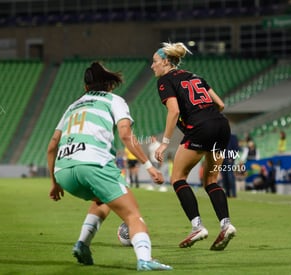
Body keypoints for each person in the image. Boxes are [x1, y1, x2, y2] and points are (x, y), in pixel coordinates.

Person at [47, 61, 172, 271]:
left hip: (63, 171)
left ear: (85, 87)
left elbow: (52, 146)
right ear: (110, 85)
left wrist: (54, 183)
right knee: (133, 215)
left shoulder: (73, 106)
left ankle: (82, 244)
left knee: (102, 199)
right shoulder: (115, 100)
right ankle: (145, 259)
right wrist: (149, 166)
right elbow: (125, 134)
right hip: (94, 164)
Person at [151, 42, 236, 251]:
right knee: (211, 180)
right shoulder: (194, 76)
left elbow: (174, 111)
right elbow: (221, 104)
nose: (152, 66)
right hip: (222, 125)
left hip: (201, 128)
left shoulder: (165, 80)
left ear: (165, 61)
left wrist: (163, 144)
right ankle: (226, 224)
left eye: (154, 62)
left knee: (178, 178)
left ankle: (197, 226)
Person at [221, 134, 240, 198]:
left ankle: (234, 193)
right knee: (224, 177)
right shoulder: (221, 137)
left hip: (229, 160)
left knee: (230, 177)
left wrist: (232, 158)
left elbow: (236, 148)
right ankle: (227, 193)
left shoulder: (233, 137)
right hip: (222, 159)